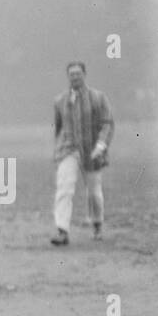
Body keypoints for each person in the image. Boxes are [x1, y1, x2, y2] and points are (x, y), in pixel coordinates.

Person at [51, 62, 114, 246]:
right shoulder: (60, 101)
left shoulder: (98, 98)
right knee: (64, 188)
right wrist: (58, 151)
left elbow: (107, 123)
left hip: (92, 151)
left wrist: (101, 146)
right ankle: (62, 231)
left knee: (94, 192)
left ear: (84, 74)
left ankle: (97, 225)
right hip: (68, 150)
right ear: (68, 77)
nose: (75, 77)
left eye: (78, 74)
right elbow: (59, 127)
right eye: (71, 74)